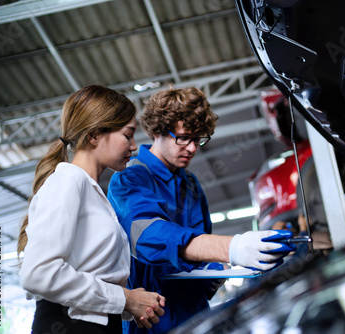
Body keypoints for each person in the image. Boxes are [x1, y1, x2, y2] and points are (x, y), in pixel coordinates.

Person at [107, 87, 294, 333]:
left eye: (198, 139)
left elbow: (201, 252)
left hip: (196, 317)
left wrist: (216, 274)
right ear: (157, 131)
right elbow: (147, 238)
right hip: (151, 321)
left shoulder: (192, 185)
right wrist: (233, 248)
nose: (193, 148)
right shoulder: (130, 178)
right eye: (184, 138)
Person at [17, 85, 166, 334]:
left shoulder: (92, 192)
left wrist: (131, 302)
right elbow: (39, 273)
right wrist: (125, 299)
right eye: (128, 135)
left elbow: (91, 274)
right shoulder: (68, 182)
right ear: (95, 135)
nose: (134, 146)